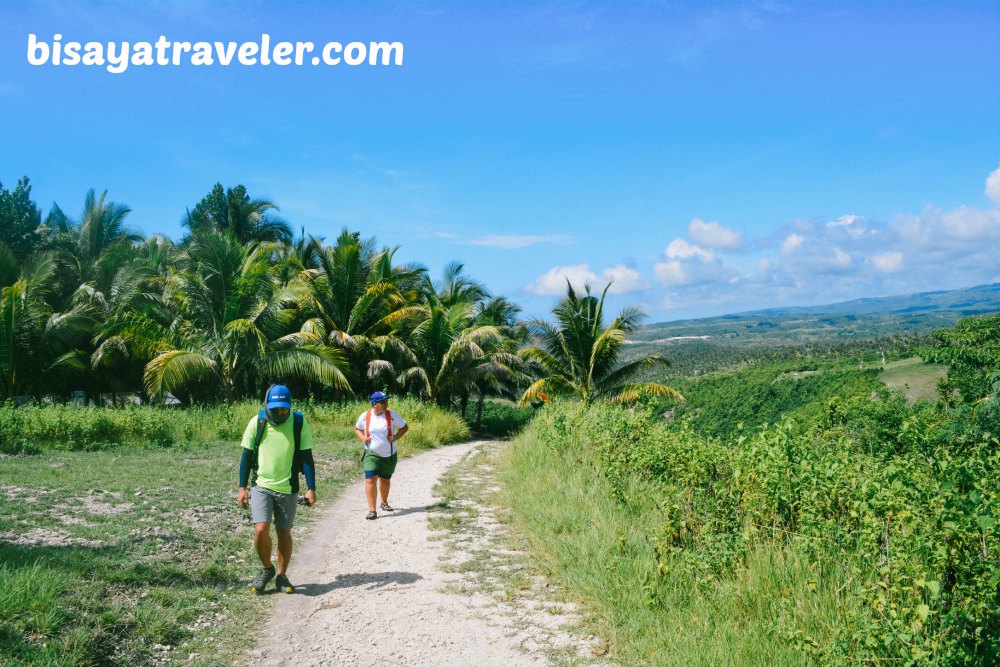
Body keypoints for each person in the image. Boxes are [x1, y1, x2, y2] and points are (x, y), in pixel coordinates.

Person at [237, 384, 317, 594]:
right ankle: (267, 569)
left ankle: (281, 576)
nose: (281, 413)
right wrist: (242, 487)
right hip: (261, 485)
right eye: (276, 409)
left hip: (288, 487)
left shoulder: (298, 422)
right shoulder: (258, 422)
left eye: (284, 409)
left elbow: (307, 457)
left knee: (284, 532)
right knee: (261, 529)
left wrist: (311, 488)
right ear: (266, 404)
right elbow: (246, 456)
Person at [354, 391, 408, 520]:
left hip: (389, 454)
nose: (386, 404)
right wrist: (363, 438)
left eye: (386, 401)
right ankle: (372, 511)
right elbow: (357, 428)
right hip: (371, 453)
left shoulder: (392, 415)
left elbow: (405, 427)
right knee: (370, 479)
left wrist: (395, 437)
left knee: (385, 480)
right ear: (374, 404)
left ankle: (384, 502)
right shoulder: (365, 416)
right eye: (383, 401)